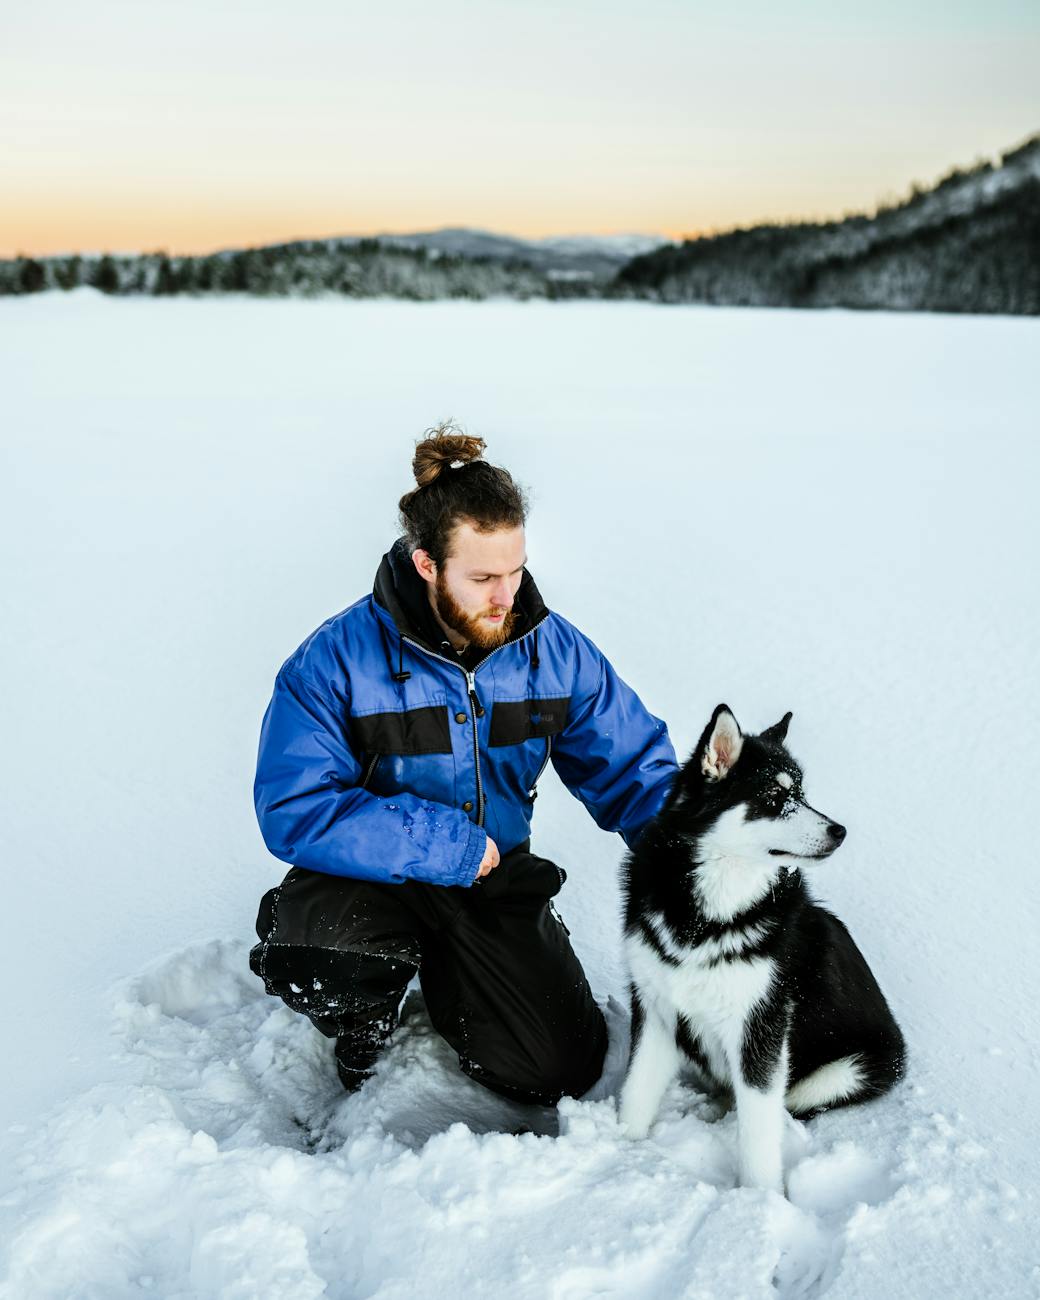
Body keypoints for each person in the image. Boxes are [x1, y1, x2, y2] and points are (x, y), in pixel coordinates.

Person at [249, 424, 678, 1106]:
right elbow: (295, 808)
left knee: (556, 1069)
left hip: (493, 882)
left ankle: (475, 972)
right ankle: (362, 1016)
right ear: (427, 564)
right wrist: (443, 843)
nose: (505, 596)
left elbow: (635, 771)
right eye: (482, 577)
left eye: (515, 571)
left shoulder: (554, 652)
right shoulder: (333, 661)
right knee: (321, 955)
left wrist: (699, 856)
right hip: (371, 877)